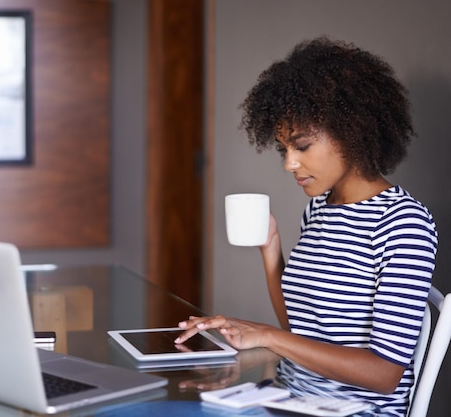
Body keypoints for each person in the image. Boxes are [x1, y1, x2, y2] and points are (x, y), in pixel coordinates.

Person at [174, 37, 437, 416]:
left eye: (301, 146)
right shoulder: (319, 208)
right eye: (284, 150)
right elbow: (301, 328)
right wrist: (271, 249)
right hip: (290, 399)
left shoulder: (403, 224)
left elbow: (384, 374)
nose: (289, 164)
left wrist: (267, 335)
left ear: (352, 132)